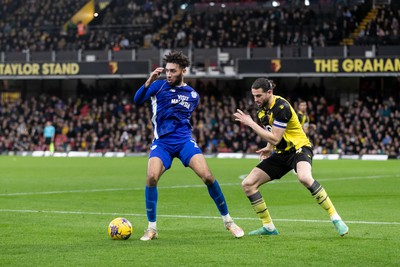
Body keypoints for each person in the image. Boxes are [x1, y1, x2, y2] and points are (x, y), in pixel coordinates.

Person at [134, 50, 244, 241]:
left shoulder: (193, 95)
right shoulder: (158, 86)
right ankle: (151, 228)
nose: (168, 74)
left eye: (173, 71)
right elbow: (137, 100)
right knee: (151, 177)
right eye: (167, 70)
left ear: (183, 71)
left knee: (208, 176)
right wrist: (150, 79)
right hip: (162, 143)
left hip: (184, 141)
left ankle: (229, 222)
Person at [233, 78, 349, 237]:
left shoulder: (282, 107)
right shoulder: (262, 111)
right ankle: (268, 227)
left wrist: (251, 124)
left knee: (304, 178)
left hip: (299, 149)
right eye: (254, 96)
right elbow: (272, 136)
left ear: (269, 92)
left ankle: (336, 218)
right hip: (281, 153)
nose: (256, 99)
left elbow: (275, 138)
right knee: (248, 184)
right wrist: (268, 149)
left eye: (259, 96)